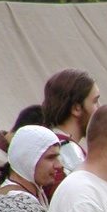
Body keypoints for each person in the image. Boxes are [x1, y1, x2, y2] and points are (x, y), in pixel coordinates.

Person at [41, 68, 100, 198]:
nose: (99, 108)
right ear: (76, 108)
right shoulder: (66, 151)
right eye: (95, 101)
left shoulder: (47, 145)